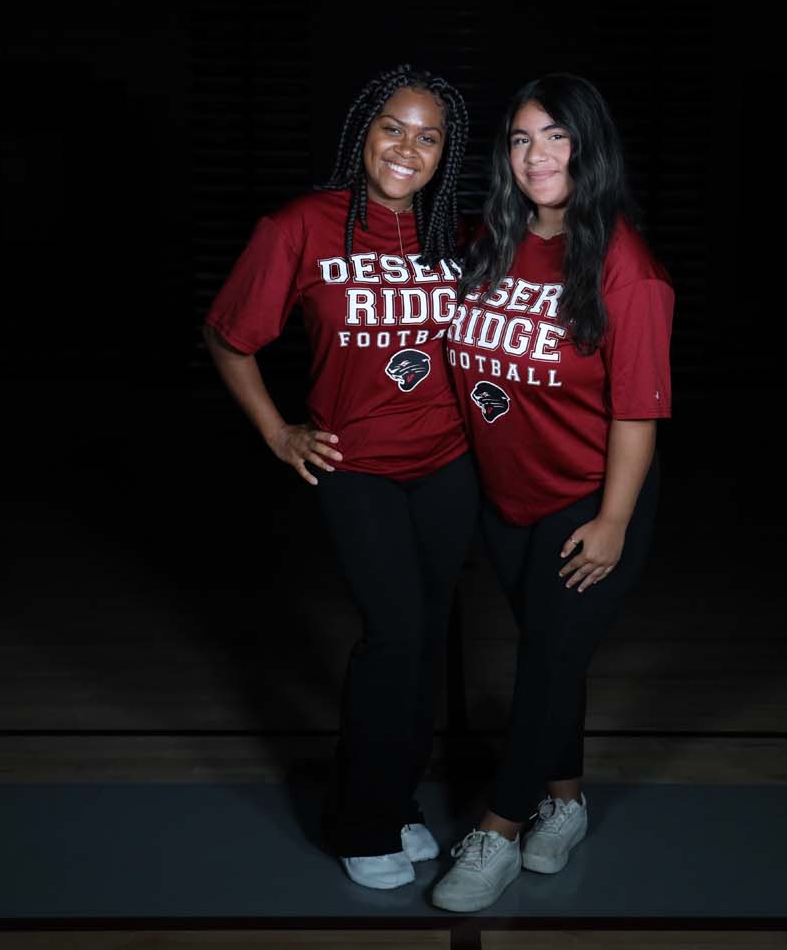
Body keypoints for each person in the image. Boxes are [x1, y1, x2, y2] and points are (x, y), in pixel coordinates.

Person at [202, 65, 476, 891]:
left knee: (431, 643)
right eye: (393, 126)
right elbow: (227, 335)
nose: (407, 147)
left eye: (429, 137)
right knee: (392, 636)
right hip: (355, 465)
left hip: (450, 465)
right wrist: (279, 432)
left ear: (445, 155)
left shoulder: (456, 232)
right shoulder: (300, 225)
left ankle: (396, 803)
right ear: (363, 128)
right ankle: (357, 818)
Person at [431, 73, 674, 912]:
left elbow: (638, 414)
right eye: (523, 139)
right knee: (554, 663)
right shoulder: (488, 240)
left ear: (589, 145)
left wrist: (613, 520)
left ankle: (496, 832)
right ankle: (565, 803)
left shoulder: (625, 268)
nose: (539, 156)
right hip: (507, 502)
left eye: (557, 137)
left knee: (544, 664)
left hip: (588, 503)